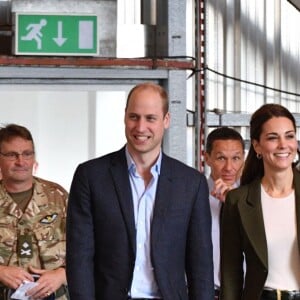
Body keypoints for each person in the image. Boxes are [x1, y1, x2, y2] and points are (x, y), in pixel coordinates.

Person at [66, 82, 214, 300]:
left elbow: (200, 264)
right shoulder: (91, 177)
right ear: (125, 117)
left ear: (166, 121)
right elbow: (80, 257)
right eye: (134, 117)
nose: (140, 127)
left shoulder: (191, 183)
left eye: (150, 118)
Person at [220, 103, 300, 300]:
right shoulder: (237, 201)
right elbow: (231, 273)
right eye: (273, 138)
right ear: (256, 145)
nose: (283, 145)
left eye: (289, 136)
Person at [0, 124, 68, 300]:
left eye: (27, 154)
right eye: (11, 155)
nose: (21, 162)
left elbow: (87, 247)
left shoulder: (58, 197)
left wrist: (62, 274)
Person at [204, 127, 245, 299]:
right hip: (205, 293)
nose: (229, 167)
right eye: (221, 158)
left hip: (245, 293)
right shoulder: (193, 198)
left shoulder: (254, 201)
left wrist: (234, 202)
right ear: (207, 158)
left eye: (236, 158)